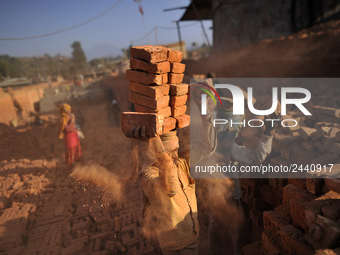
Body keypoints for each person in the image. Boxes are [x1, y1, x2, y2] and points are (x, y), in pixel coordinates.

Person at [130, 127, 199, 255]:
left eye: (176, 150)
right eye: (170, 152)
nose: (175, 155)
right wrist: (154, 139)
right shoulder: (148, 175)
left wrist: (206, 118)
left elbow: (206, 148)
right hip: (175, 244)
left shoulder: (181, 163)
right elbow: (170, 189)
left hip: (192, 234)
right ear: (157, 152)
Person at [58, 103, 83, 172]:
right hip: (70, 138)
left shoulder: (69, 116)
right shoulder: (63, 119)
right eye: (68, 109)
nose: (70, 110)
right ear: (65, 110)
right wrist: (72, 121)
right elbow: (67, 129)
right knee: (71, 153)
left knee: (78, 152)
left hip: (74, 136)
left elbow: (73, 125)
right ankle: (71, 170)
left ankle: (80, 168)